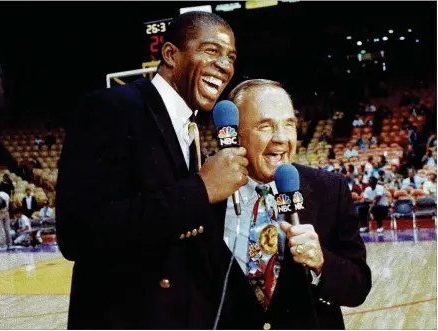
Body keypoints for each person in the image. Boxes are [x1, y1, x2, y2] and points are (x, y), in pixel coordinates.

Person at [56, 11, 248, 329]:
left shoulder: (192, 128)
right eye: (212, 51)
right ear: (171, 54)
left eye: (231, 56)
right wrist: (201, 190)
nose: (225, 65)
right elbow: (78, 235)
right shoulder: (111, 108)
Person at [216, 79, 371, 329]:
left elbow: (359, 287)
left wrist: (322, 262)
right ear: (236, 134)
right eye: (265, 126)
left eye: (289, 125)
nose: (281, 138)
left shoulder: (330, 189)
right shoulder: (207, 191)